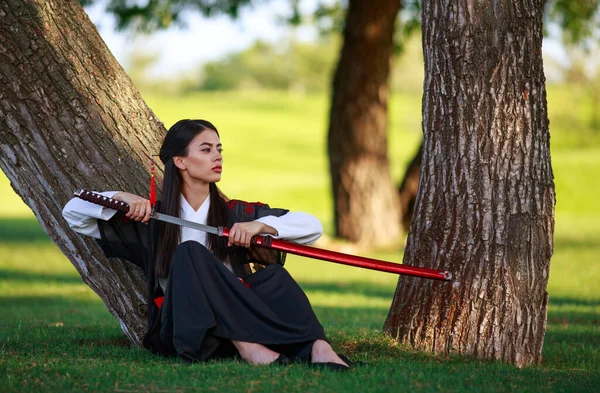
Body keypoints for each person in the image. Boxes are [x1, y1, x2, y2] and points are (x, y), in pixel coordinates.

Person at [62, 119, 352, 370]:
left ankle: (317, 346)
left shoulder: (235, 213)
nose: (218, 157)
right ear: (180, 161)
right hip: (191, 331)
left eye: (219, 149)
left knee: (273, 276)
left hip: (241, 318)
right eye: (206, 149)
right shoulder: (155, 220)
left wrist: (259, 225)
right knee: (190, 253)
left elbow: (312, 228)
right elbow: (72, 213)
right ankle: (248, 347)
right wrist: (124, 197)